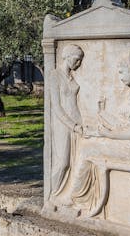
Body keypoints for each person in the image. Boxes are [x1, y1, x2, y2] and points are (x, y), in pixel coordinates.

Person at [64, 52, 130, 215]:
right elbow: (123, 125)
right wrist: (102, 120)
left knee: (88, 149)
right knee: (88, 142)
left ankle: (76, 199)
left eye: (121, 72)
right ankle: (80, 199)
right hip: (125, 141)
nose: (120, 76)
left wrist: (111, 135)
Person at [49, 44, 85, 199]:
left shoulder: (71, 76)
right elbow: (56, 107)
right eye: (77, 60)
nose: (79, 64)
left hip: (77, 123)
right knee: (62, 162)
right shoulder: (54, 75)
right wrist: (73, 125)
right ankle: (54, 195)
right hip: (63, 125)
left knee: (75, 162)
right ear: (68, 56)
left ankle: (67, 195)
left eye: (80, 61)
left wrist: (81, 124)